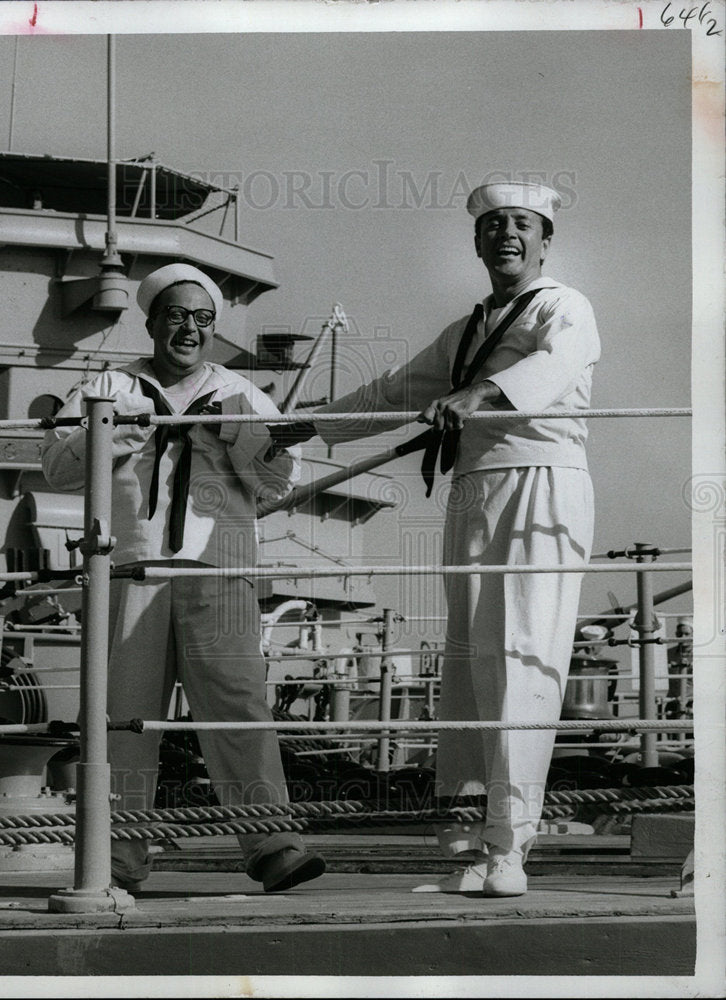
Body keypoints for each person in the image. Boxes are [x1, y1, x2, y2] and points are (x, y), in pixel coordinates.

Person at [270, 182, 600, 896]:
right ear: (477, 241)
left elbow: (549, 368)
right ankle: (473, 837)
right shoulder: (470, 327)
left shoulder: (563, 306)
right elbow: (393, 389)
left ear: (546, 240)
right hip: (474, 488)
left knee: (522, 657)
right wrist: (308, 426)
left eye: (521, 224)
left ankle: (512, 845)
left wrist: (476, 397)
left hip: (540, 485)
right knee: (470, 667)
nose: (506, 235)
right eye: (492, 225)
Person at [42, 262, 326, 894]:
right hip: (127, 571)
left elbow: (280, 483)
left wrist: (239, 437)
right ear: (151, 322)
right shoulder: (109, 386)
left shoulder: (244, 395)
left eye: (202, 319)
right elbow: (57, 467)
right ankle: (116, 860)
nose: (189, 329)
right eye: (176, 316)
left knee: (237, 706)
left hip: (218, 568)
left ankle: (271, 841)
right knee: (122, 715)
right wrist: (113, 436)